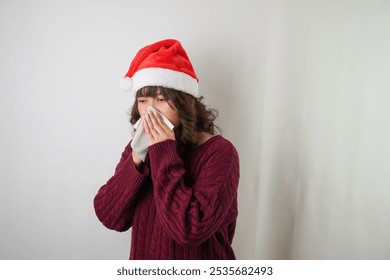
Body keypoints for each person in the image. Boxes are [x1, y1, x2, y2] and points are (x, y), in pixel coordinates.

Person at [93, 39, 240, 260]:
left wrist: (163, 152)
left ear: (184, 103)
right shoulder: (139, 150)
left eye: (161, 99)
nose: (150, 110)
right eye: (143, 100)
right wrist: (136, 157)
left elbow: (189, 229)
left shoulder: (220, 152)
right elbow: (110, 216)